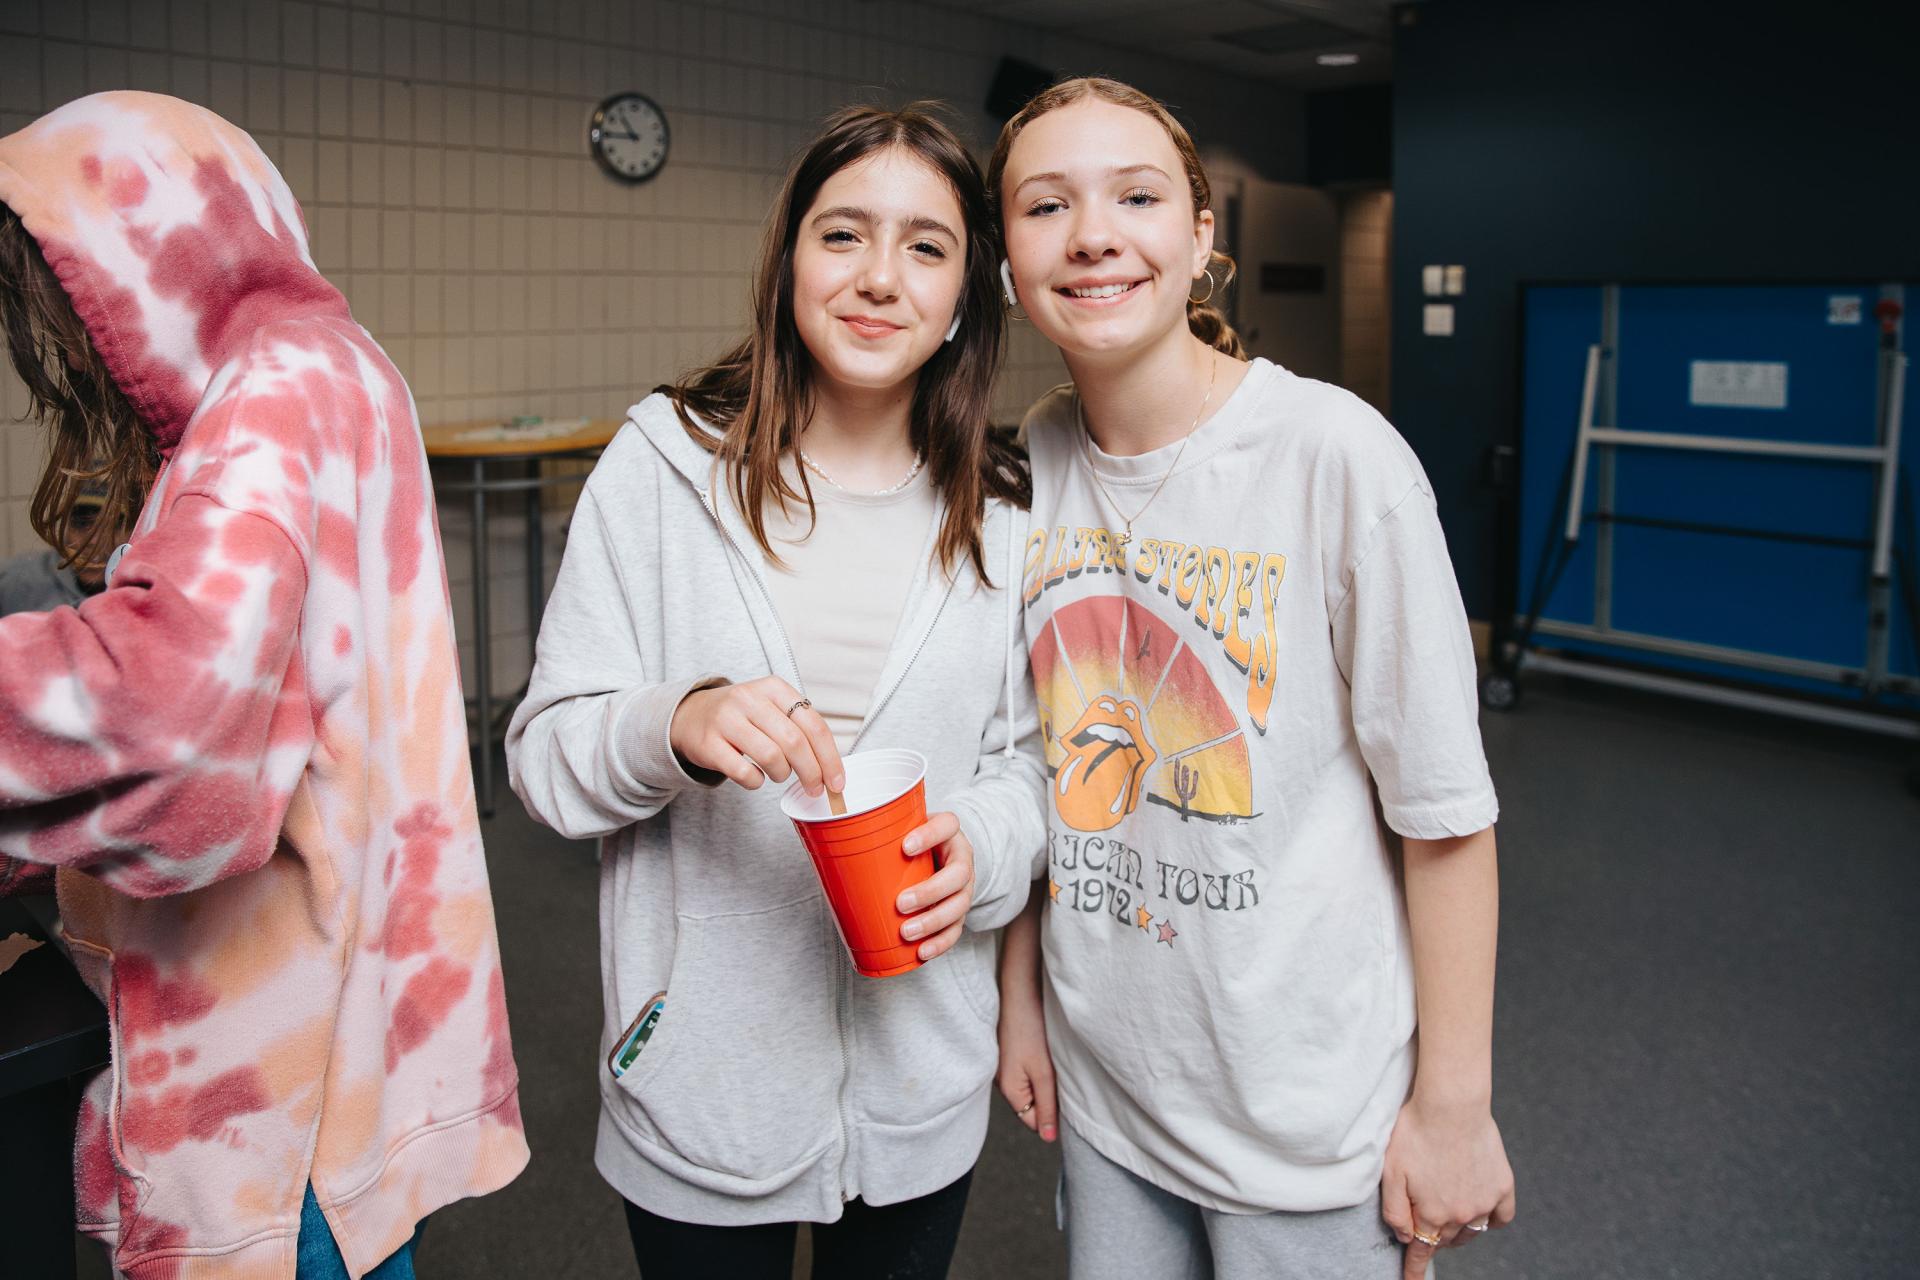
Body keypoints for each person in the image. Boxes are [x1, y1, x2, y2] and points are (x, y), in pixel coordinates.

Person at [988, 77, 1517, 1280]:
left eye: (1136, 195)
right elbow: (1033, 755)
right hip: (1112, 1087)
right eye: (1045, 204)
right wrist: (1020, 995)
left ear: (1202, 237)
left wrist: (1453, 1105)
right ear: (1007, 256)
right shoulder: (1038, 454)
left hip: (1305, 1115)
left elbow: (1443, 816)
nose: (1092, 235)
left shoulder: (1337, 457)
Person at [505, 103, 1044, 1280]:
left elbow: (1030, 767)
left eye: (927, 246)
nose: (880, 278)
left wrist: (986, 849)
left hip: (919, 1084)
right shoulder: (663, 468)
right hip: (702, 1084)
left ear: (965, 297)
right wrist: (675, 725)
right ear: (789, 257)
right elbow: (544, 758)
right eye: (843, 234)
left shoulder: (1006, 509)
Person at [0, 92, 528, 1279]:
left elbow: (167, 735)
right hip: (369, 1031)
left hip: (275, 1081)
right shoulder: (342, 360)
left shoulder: (259, 412)